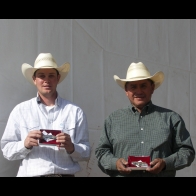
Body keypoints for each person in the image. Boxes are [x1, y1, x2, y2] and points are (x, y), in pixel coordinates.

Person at [95, 62, 195, 177]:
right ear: (126, 91)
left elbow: (187, 152)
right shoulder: (113, 120)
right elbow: (101, 152)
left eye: (143, 86)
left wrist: (165, 163)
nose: (139, 91)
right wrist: (115, 163)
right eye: (133, 86)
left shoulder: (171, 118)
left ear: (152, 88)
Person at [1, 53, 90, 177]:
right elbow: (6, 149)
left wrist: (71, 147)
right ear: (34, 79)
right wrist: (25, 144)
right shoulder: (21, 110)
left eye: (51, 76)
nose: (46, 80)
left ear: (58, 78)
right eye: (41, 76)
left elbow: (86, 153)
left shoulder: (75, 112)